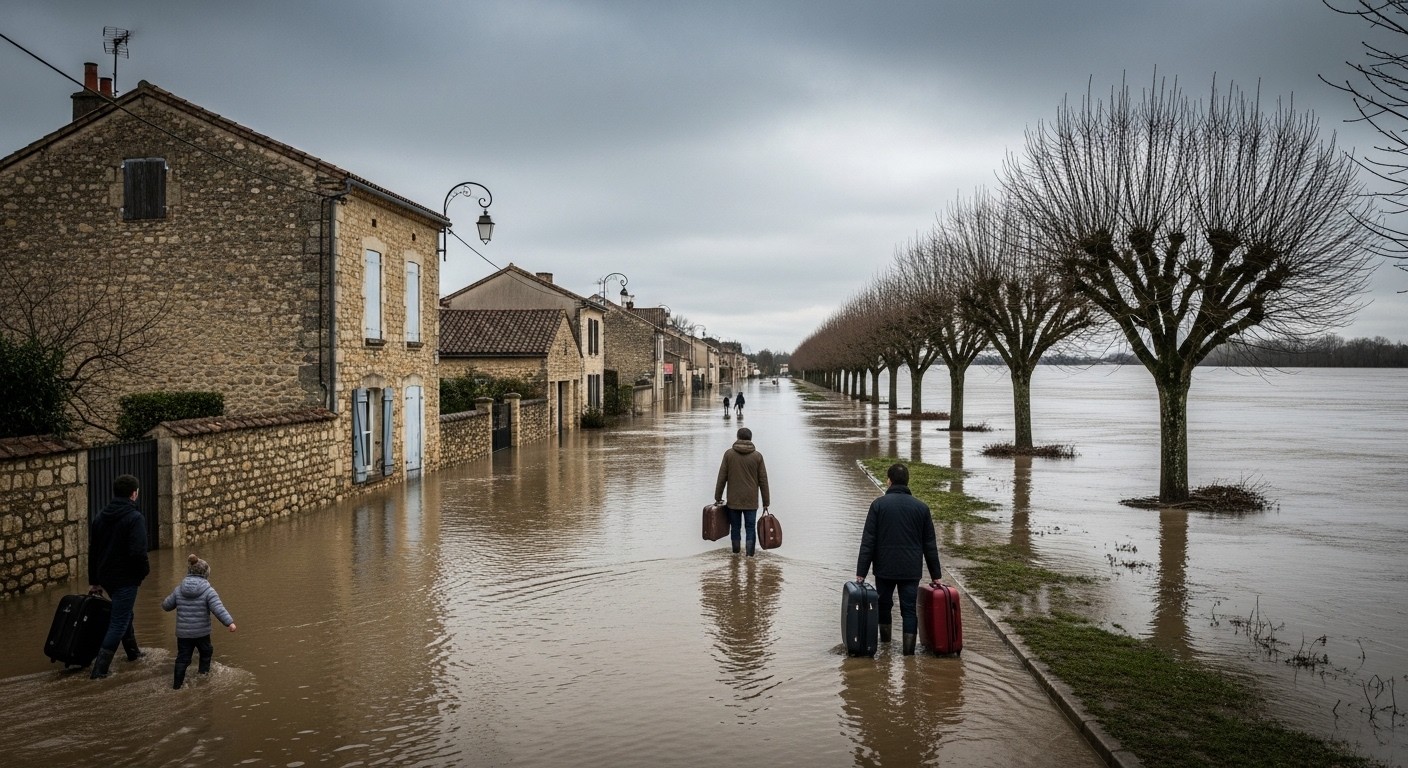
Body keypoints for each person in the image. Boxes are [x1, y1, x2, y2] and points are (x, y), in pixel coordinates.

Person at [855, 462, 942, 656]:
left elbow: (868, 542)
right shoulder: (922, 508)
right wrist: (936, 575)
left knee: (884, 605)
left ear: (889, 481)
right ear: (907, 482)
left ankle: (885, 645)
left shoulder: (878, 505)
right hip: (910, 570)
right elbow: (930, 545)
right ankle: (909, 654)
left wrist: (861, 573)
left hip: (884, 568)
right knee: (909, 609)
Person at [87, 473, 151, 678]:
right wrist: (143, 573)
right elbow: (138, 552)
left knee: (125, 614)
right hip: (126, 579)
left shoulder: (100, 517)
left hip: (106, 577)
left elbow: (93, 552)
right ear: (134, 494)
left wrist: (94, 581)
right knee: (119, 621)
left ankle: (133, 654)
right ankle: (99, 672)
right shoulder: (135, 518)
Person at [162, 554, 237, 689]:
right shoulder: (208, 591)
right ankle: (203, 677)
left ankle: (176, 686)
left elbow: (166, 606)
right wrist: (229, 623)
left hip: (183, 634)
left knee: (183, 658)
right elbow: (218, 609)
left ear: (189, 572)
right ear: (206, 573)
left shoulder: (179, 589)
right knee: (206, 652)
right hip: (202, 633)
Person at [714, 426, 770, 556]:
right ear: (750, 439)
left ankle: (735, 555)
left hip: (733, 501)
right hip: (751, 501)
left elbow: (722, 477)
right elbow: (763, 480)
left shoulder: (729, 454)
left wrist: (718, 496)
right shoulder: (757, 457)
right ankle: (750, 556)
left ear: (738, 438)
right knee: (750, 528)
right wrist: (766, 501)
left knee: (735, 528)